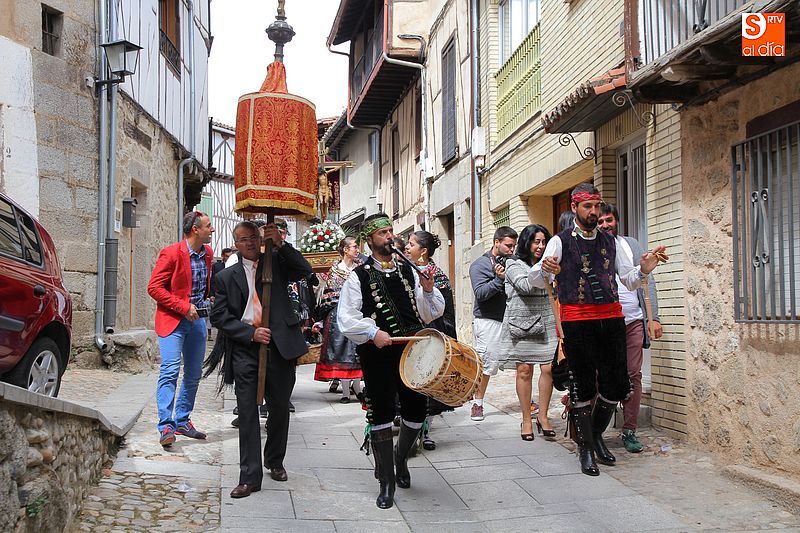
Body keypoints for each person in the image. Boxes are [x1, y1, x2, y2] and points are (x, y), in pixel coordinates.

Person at [531, 183, 666, 476]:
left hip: (612, 318)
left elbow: (628, 279)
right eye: (587, 206)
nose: (593, 212)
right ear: (575, 208)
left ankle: (593, 437)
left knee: (616, 385)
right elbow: (536, 280)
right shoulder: (559, 242)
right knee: (583, 386)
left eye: (596, 206)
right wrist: (545, 270)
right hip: (577, 321)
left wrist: (644, 269)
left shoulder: (611, 242)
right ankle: (587, 449)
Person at [337, 213, 444, 509]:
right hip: (377, 353)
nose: (389, 236)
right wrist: (373, 332)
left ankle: (400, 458)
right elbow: (346, 318)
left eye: (390, 231)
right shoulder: (358, 276)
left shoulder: (408, 270)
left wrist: (428, 289)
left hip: (411, 351)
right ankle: (386, 481)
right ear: (369, 240)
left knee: (417, 410)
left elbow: (429, 313)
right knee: (381, 412)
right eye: (382, 233)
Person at [209, 220, 313, 498]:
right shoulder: (225, 277)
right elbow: (219, 316)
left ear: (260, 238)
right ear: (236, 244)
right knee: (247, 411)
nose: (250, 243)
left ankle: (275, 460)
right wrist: (250, 333)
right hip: (246, 348)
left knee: (279, 407)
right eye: (243, 239)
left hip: (279, 347)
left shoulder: (276, 263)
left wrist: (280, 243)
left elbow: (305, 269)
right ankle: (249, 476)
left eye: (254, 237)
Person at [147, 210, 214, 447]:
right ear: (195, 229)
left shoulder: (208, 253)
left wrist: (208, 300)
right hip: (172, 320)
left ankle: (183, 420)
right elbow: (154, 288)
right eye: (208, 225)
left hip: (197, 322)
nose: (212, 229)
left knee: (194, 373)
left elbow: (202, 286)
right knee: (170, 370)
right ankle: (166, 425)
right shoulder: (172, 253)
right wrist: (183, 307)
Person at [599, 203, 662, 453]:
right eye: (601, 221)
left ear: (616, 221)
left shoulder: (630, 244)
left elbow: (647, 279)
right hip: (604, 323)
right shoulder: (591, 247)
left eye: (609, 220)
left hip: (633, 320)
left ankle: (629, 430)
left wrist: (653, 317)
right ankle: (596, 430)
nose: (605, 225)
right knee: (600, 374)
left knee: (633, 375)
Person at [496, 224, 558, 441]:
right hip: (522, 323)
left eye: (544, 242)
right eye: (536, 241)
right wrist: (546, 271)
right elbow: (526, 286)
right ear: (527, 242)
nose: (540, 246)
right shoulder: (513, 263)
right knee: (524, 370)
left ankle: (543, 416)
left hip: (547, 320)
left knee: (549, 368)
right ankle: (526, 419)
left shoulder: (548, 265)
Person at [404, 231, 456, 450]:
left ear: (423, 251)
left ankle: (425, 431)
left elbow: (446, 312)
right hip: (408, 333)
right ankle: (409, 428)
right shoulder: (403, 270)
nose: (407, 247)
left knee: (429, 380)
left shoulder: (438, 276)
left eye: (411, 244)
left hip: (431, 334)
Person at [468, 226, 518, 421]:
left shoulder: (513, 262)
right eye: (508, 245)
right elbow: (480, 294)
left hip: (512, 318)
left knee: (521, 362)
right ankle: (477, 403)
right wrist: (499, 280)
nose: (511, 249)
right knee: (487, 364)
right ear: (496, 242)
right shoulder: (479, 265)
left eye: (514, 246)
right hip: (488, 320)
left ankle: (527, 400)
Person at [313, 236, 363, 403]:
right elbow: (329, 295)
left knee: (357, 351)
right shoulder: (335, 271)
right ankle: (345, 392)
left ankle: (357, 388)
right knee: (341, 351)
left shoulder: (360, 268)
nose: (357, 250)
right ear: (345, 250)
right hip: (338, 315)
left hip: (358, 314)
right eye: (354, 247)